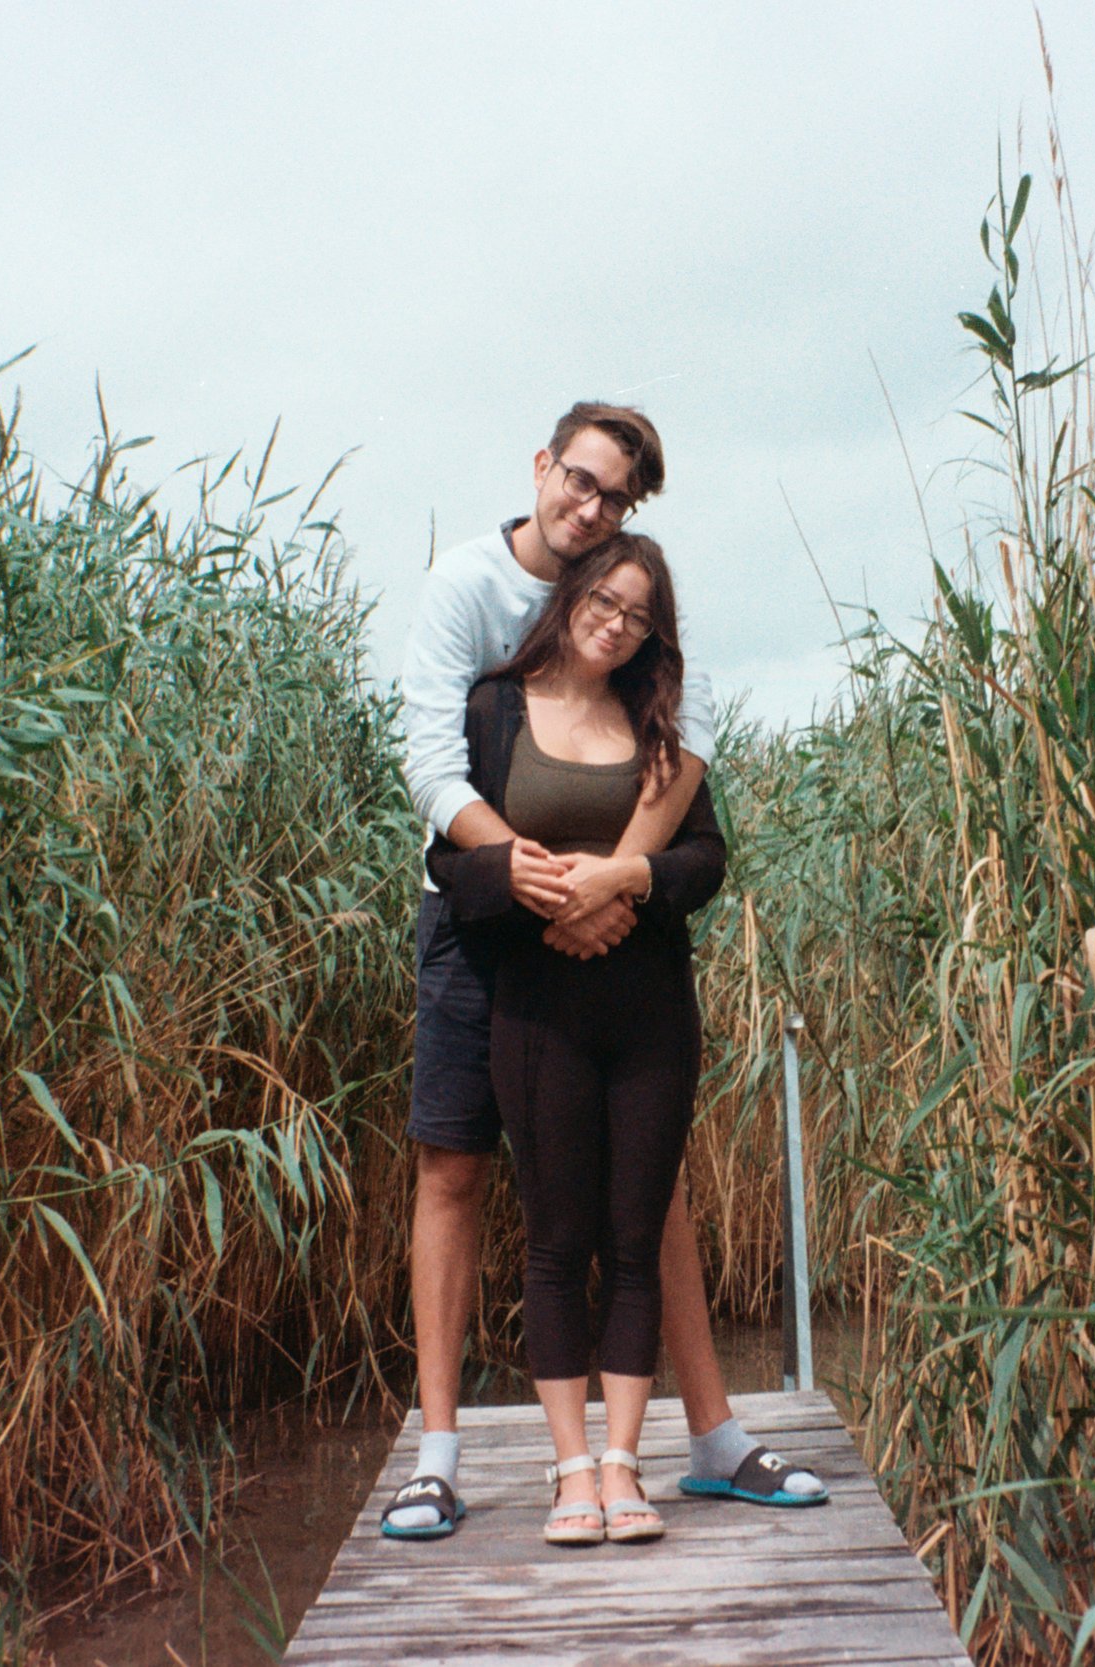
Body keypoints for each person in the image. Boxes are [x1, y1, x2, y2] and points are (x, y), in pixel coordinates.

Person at [378, 403, 826, 1543]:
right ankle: (438, 1455)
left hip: (611, 933)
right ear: (542, 466)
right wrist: (535, 883)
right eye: (579, 481)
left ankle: (711, 1435)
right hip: (481, 914)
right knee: (452, 1165)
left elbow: (694, 726)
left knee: (650, 1181)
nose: (590, 507)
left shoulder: (630, 589)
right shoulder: (468, 585)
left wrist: (614, 884)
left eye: (614, 495)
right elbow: (431, 766)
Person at [424, 535, 719, 1543]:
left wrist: (625, 881)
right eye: (605, 601)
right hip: (536, 1007)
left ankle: (626, 1465)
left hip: (649, 1007)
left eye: (639, 615)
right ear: (570, 595)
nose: (616, 624)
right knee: (555, 1243)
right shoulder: (495, 709)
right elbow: (448, 865)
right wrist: (534, 889)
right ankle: (571, 1474)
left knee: (634, 1240)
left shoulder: (658, 724)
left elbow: (705, 856)